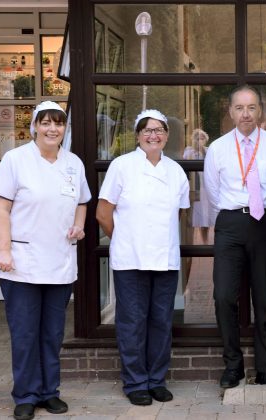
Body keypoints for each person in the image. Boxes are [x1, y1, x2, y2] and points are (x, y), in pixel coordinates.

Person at [0, 101, 91, 420]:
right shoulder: (15, 160)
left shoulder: (73, 163)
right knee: (25, 334)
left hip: (59, 262)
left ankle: (49, 392)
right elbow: (1, 209)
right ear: (34, 126)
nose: (52, 129)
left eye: (58, 124)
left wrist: (79, 224)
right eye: (45, 123)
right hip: (21, 263)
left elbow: (83, 201)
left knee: (51, 333)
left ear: (64, 129)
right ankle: (26, 394)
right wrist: (3, 250)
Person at [96, 109, 189, 406]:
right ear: (137, 135)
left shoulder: (175, 171)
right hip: (130, 259)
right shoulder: (122, 167)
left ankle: (156, 380)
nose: (153, 135)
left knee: (161, 321)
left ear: (167, 135)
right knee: (133, 321)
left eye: (159, 130)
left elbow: (179, 214)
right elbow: (103, 213)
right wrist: (124, 238)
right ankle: (135, 382)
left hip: (164, 259)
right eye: (147, 130)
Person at [204, 85, 266, 388]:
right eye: (239, 108)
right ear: (230, 112)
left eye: (251, 107)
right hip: (230, 223)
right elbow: (213, 192)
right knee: (224, 296)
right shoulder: (218, 147)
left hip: (265, 224)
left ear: (259, 110)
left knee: (264, 298)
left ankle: (265, 369)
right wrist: (234, 211)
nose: (245, 114)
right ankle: (233, 365)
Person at [183, 128, 211, 243]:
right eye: (198, 138)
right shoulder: (189, 152)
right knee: (192, 218)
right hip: (195, 189)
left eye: (202, 138)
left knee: (205, 219)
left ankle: (205, 243)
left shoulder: (208, 151)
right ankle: (191, 244)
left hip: (206, 189)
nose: (200, 140)